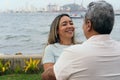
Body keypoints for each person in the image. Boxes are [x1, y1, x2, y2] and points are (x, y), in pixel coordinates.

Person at [42, 1, 120, 80]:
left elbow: (48, 76)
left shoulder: (74, 52)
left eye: (71, 23)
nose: (69, 26)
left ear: (88, 25)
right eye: (64, 24)